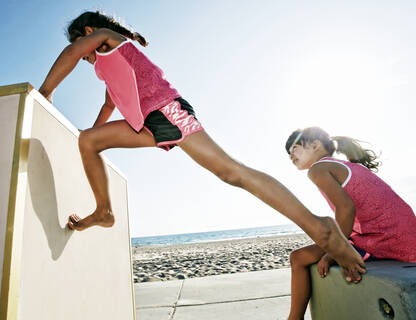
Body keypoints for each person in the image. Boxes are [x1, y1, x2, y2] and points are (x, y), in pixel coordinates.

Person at [38, 11, 366, 282]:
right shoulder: (107, 69)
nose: (83, 56)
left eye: (82, 43)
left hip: (167, 111)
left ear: (90, 31)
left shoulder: (108, 38)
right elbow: (110, 106)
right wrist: (86, 148)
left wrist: (47, 92)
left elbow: (71, 53)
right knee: (88, 140)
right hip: (146, 125)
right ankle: (104, 211)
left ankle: (320, 227)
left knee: (232, 173)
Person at [285, 126, 416, 320]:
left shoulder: (318, 169)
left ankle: (294, 319)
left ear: (315, 145)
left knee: (298, 258)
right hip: (403, 236)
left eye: (295, 148)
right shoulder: (347, 166)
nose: (291, 156)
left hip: (385, 240)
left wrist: (334, 251)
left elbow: (345, 209)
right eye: (288, 153)